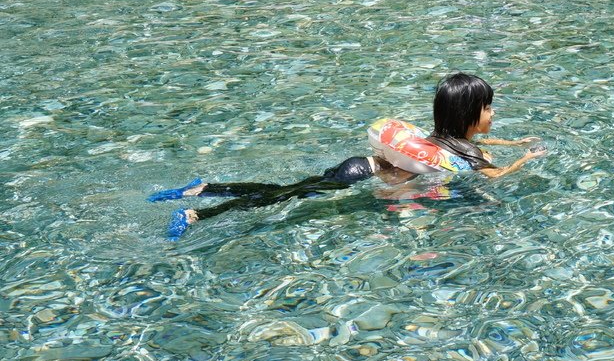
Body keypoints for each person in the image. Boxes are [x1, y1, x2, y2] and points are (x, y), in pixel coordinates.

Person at [148, 73, 546, 240]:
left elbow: (475, 150)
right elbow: (496, 175)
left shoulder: (444, 140)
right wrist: (527, 159)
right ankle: (197, 213)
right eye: (489, 107)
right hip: (356, 177)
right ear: (470, 115)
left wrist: (511, 143)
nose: (493, 114)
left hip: (359, 166)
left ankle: (200, 189)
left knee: (284, 190)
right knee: (278, 198)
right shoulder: (467, 154)